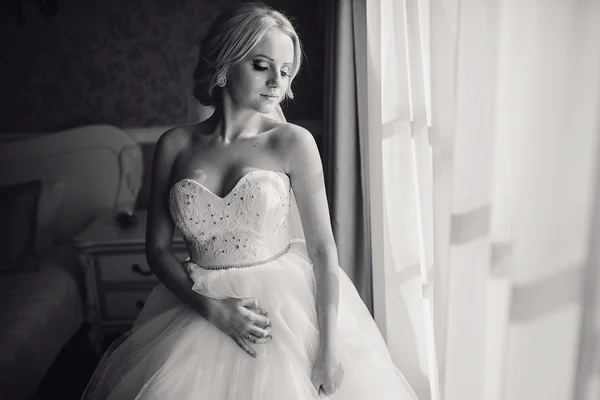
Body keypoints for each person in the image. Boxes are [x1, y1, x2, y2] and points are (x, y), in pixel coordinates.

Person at [82, 2, 418, 399]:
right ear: (225, 64)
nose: (277, 80)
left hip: (282, 314)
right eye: (262, 65)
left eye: (285, 70)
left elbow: (324, 251)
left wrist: (328, 349)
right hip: (200, 307)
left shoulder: (293, 142)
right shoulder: (174, 144)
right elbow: (157, 249)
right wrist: (211, 308)